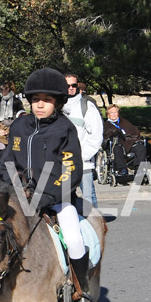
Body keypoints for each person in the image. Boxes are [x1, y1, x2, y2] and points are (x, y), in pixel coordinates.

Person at [0, 68, 93, 302]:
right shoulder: (19, 126)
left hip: (57, 199)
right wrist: (6, 189)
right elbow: (7, 161)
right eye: (36, 99)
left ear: (58, 102)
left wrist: (46, 196)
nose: (40, 105)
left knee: (72, 239)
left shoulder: (65, 129)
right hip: (20, 197)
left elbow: (71, 170)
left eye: (47, 100)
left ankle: (81, 293)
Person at [63, 73, 102, 206]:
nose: (71, 88)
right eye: (67, 85)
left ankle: (93, 225)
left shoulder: (87, 106)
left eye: (74, 85)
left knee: (88, 200)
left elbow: (96, 134)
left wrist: (83, 155)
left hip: (82, 163)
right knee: (64, 200)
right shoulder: (55, 107)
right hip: (61, 164)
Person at [102, 104, 147, 179]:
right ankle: (122, 169)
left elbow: (134, 131)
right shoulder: (106, 125)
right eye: (111, 112)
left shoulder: (124, 122)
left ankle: (139, 170)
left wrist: (130, 137)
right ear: (108, 114)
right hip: (117, 144)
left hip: (130, 143)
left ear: (118, 113)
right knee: (117, 149)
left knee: (140, 148)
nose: (114, 114)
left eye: (115, 112)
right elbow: (106, 135)